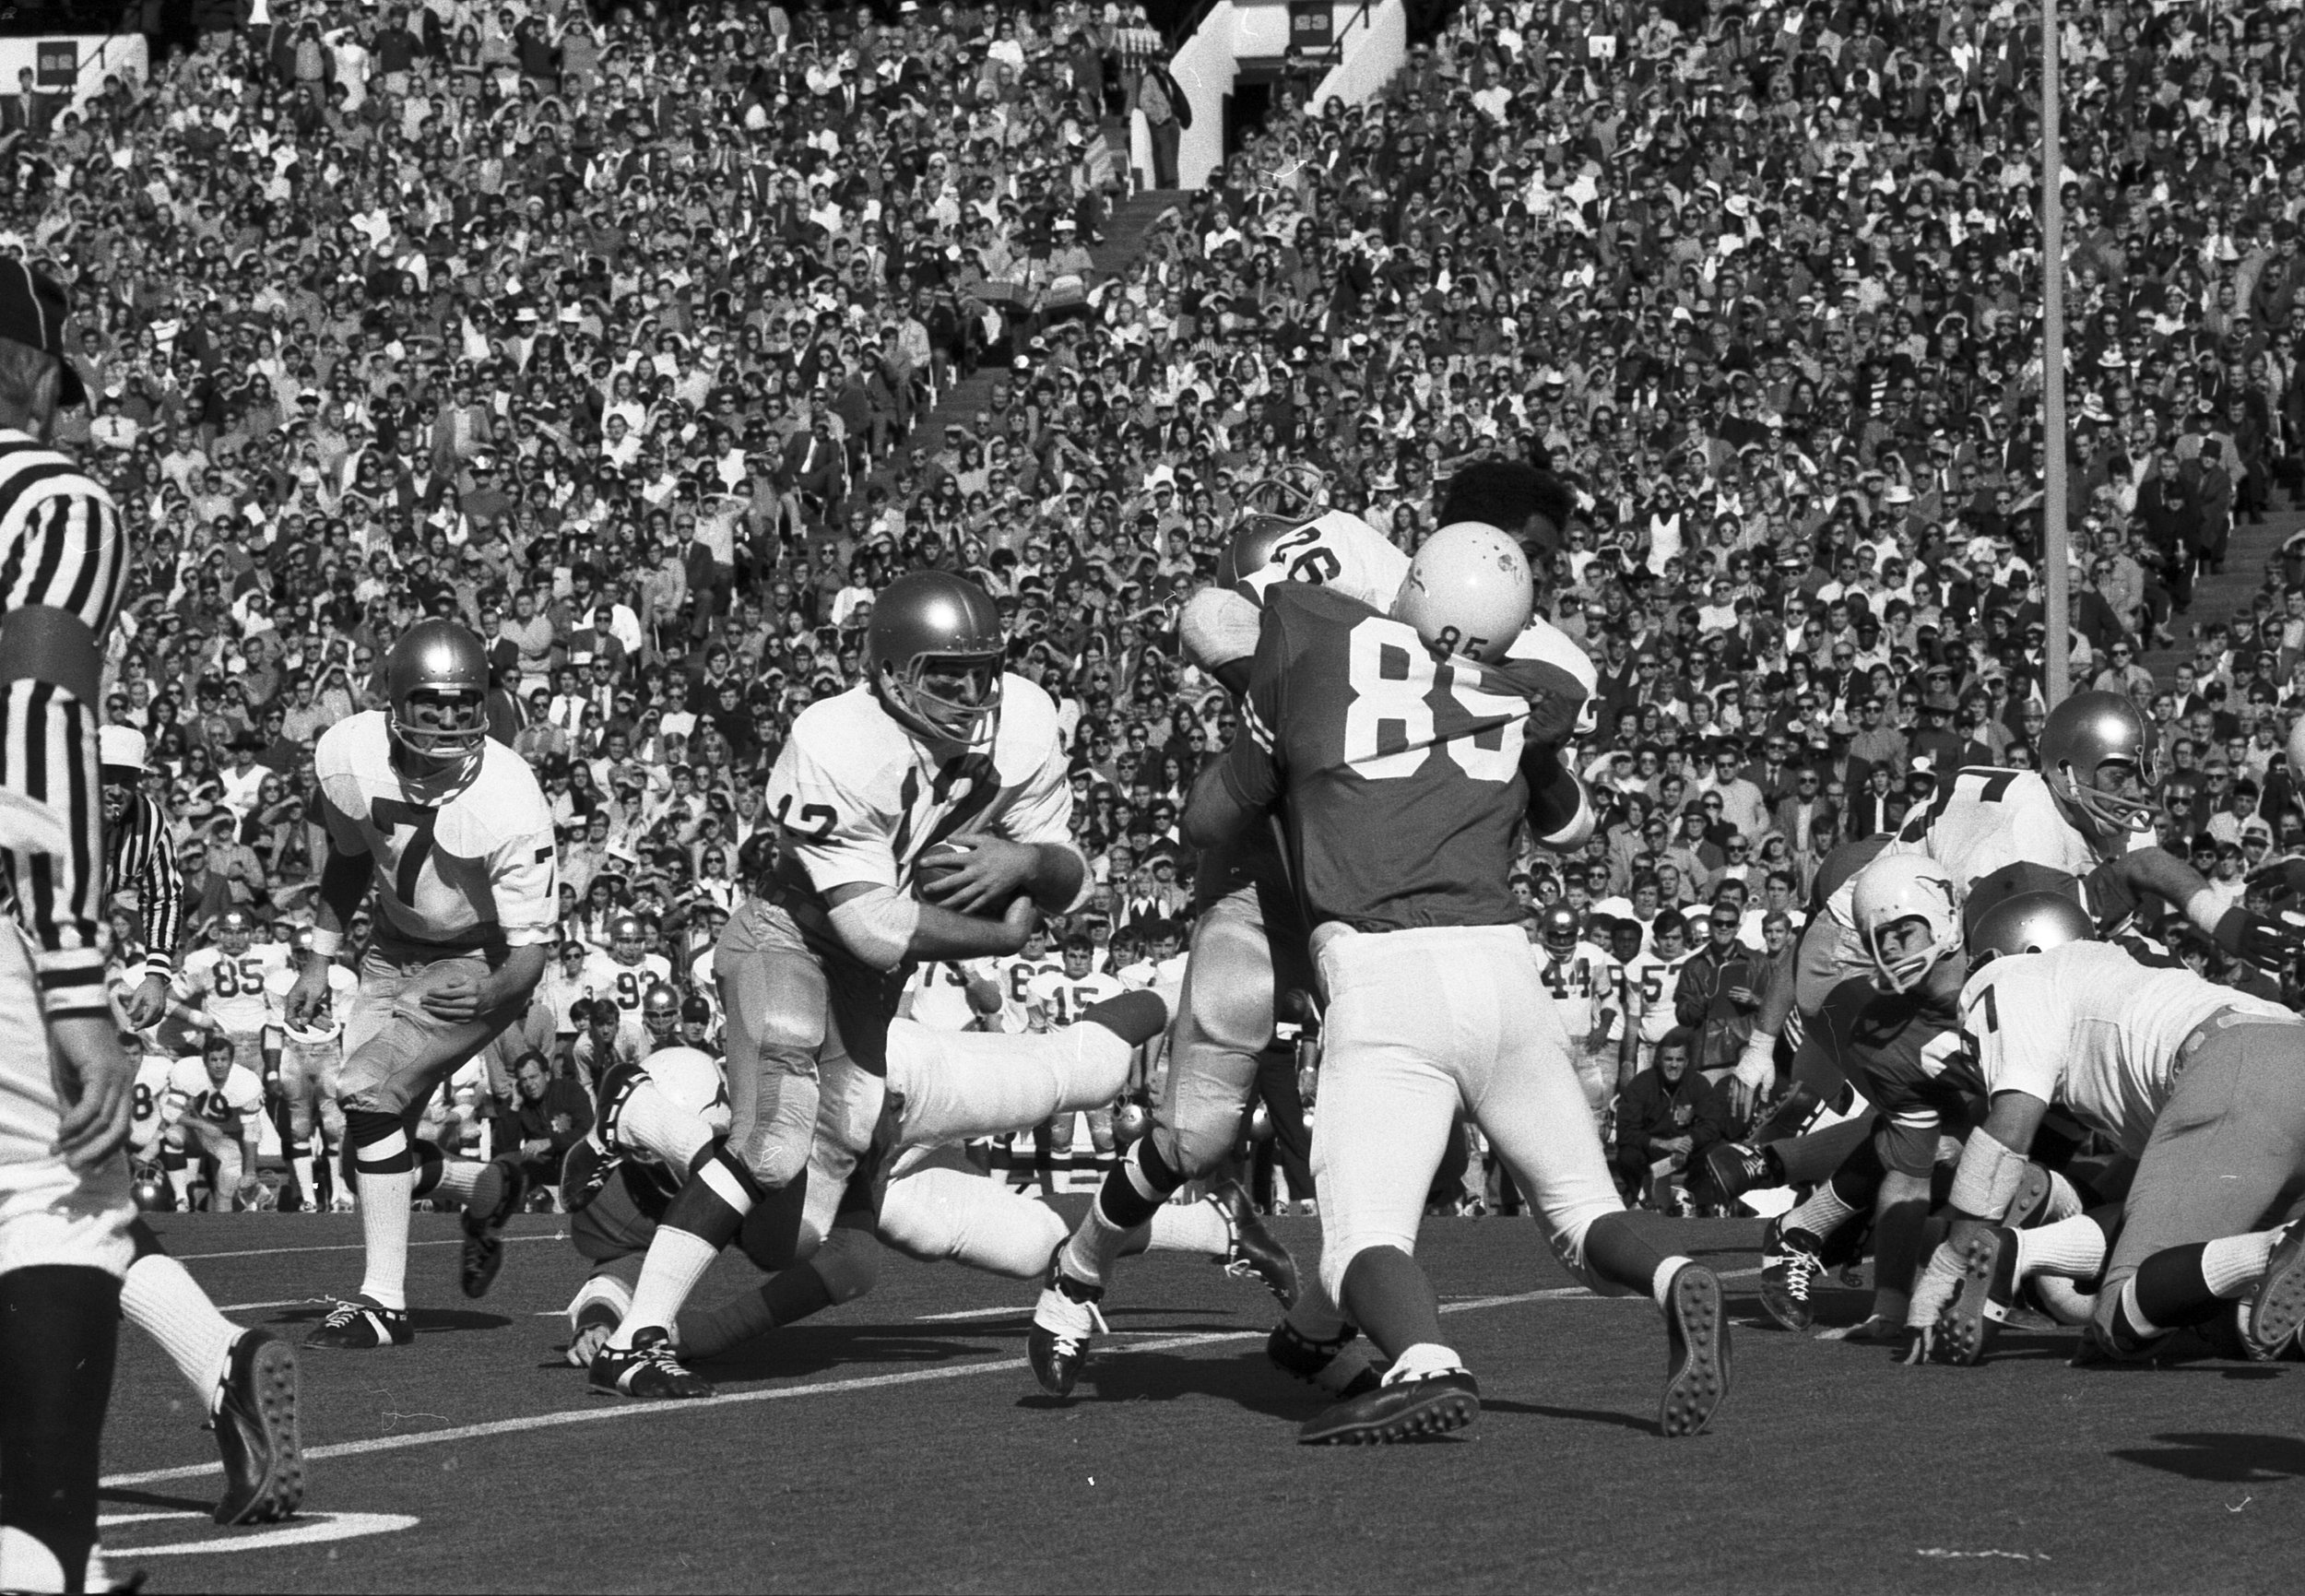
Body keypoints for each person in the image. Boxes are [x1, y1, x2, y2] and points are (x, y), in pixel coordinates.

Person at [1032, 463, 1592, 1404]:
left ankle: (1313, 1330)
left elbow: (1563, 812)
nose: (1528, 574)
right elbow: (1207, 611)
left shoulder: (1546, 660)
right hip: (1269, 877)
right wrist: (1292, 703)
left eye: (1540, 561)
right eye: (1522, 550)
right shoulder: (1356, 564)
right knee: (1198, 1129)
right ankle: (1077, 1272)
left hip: (1392, 913)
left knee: (1432, 1151)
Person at [1171, 520, 1727, 1445]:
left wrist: (1266, 729)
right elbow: (1572, 826)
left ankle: (1427, 1361)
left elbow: (1205, 817)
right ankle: (1674, 1279)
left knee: (1359, 1242)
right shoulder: (1523, 692)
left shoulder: (1313, 653)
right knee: (1582, 1216)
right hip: (1505, 973)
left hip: (1387, 974)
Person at [590, 572, 1092, 1401]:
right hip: (789, 939)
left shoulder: (1027, 720)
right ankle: (638, 1340)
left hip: (872, 986)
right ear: (892, 673)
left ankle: (652, 1118)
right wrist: (997, 933)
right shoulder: (836, 737)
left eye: (982, 671)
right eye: (945, 675)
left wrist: (1030, 860)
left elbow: (1070, 869)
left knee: (793, 1236)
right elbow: (872, 926)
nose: (971, 694)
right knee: (774, 1141)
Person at [0, 264, 300, 1586]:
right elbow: (35, 717)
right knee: (60, 1206)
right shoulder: (46, 497)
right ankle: (37, 1557)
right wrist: (75, 975)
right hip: (19, 911)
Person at [290, 618, 560, 1348]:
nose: (448, 720)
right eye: (431, 704)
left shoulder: (509, 794)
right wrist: (318, 955)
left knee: (369, 1089)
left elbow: (531, 954)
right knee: (367, 1139)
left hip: (478, 957)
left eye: (464, 704)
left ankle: (383, 1303)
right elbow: (350, 854)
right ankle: (482, 1187)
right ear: (394, 703)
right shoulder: (350, 754)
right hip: (388, 947)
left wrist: (491, 992)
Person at [1910, 904, 2305, 1366]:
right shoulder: (2119, 978)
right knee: (2252, 1319)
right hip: (2281, 1043)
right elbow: (2155, 1187)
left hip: (2239, 1068)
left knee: (2116, 1320)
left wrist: (1949, 1264)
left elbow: (2008, 1132)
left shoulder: (2010, 979)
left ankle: (2270, 1250)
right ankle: (2021, 1252)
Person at [1610, 1028, 1728, 1212]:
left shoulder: (1698, 1083)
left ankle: (1698, 1202)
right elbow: (1626, 1131)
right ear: (1659, 1060)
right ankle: (1640, 1198)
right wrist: (1662, 1144)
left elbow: (1712, 1124)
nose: (1674, 1065)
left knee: (1715, 1149)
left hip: (1685, 1152)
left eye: (1679, 1060)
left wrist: (1690, 1141)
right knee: (1628, 1155)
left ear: (1687, 1061)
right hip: (1653, 1153)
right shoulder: (1641, 1084)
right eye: (1668, 1059)